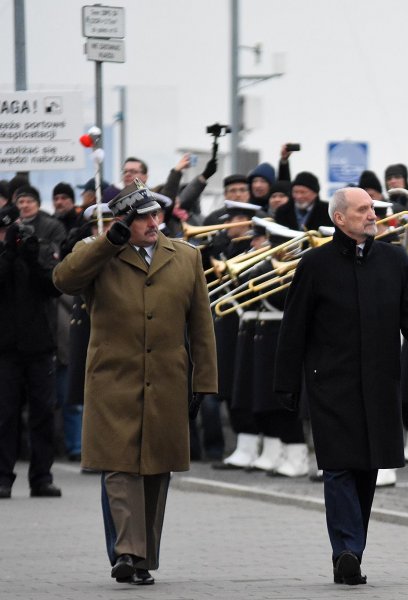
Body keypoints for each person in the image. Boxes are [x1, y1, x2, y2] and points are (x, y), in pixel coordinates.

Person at [274, 187, 408, 586]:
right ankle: (346, 551)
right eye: (363, 209)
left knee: (367, 469)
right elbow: (293, 328)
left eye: (372, 208)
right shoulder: (315, 264)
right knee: (338, 467)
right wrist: (285, 383)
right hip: (330, 385)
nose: (372, 215)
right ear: (340, 218)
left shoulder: (395, 261)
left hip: (381, 383)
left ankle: (352, 549)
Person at [52, 181, 217, 585]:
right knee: (120, 468)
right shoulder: (96, 254)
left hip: (166, 381)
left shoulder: (185, 257)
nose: (151, 222)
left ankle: (142, 559)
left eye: (154, 214)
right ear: (123, 219)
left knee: (157, 473)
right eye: (141, 216)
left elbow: (201, 326)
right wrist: (109, 241)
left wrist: (204, 383)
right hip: (114, 380)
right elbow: (64, 279)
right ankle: (127, 552)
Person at [0, 203, 63, 499]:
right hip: (5, 349)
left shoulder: (37, 248)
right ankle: (2, 477)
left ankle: (42, 477)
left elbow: (53, 287)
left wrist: (31, 256)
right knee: (5, 415)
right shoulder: (4, 254)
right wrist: (9, 255)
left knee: (43, 415)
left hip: (39, 346)